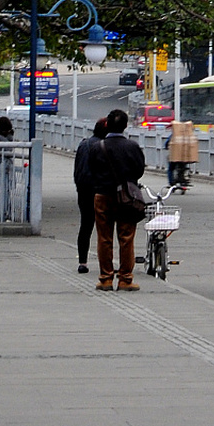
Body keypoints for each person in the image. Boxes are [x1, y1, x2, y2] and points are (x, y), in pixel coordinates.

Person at [88, 108, 145, 292]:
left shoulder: (97, 147)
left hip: (102, 195)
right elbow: (139, 171)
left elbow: (92, 170)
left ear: (107, 125)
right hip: (126, 197)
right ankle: (125, 279)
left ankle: (105, 279)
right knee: (126, 237)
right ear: (125, 126)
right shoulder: (132, 147)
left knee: (104, 238)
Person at [73, 119, 107, 274]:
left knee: (85, 226)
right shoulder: (104, 147)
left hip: (83, 190)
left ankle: (83, 262)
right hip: (100, 190)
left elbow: (77, 169)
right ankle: (106, 263)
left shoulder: (83, 144)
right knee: (104, 228)